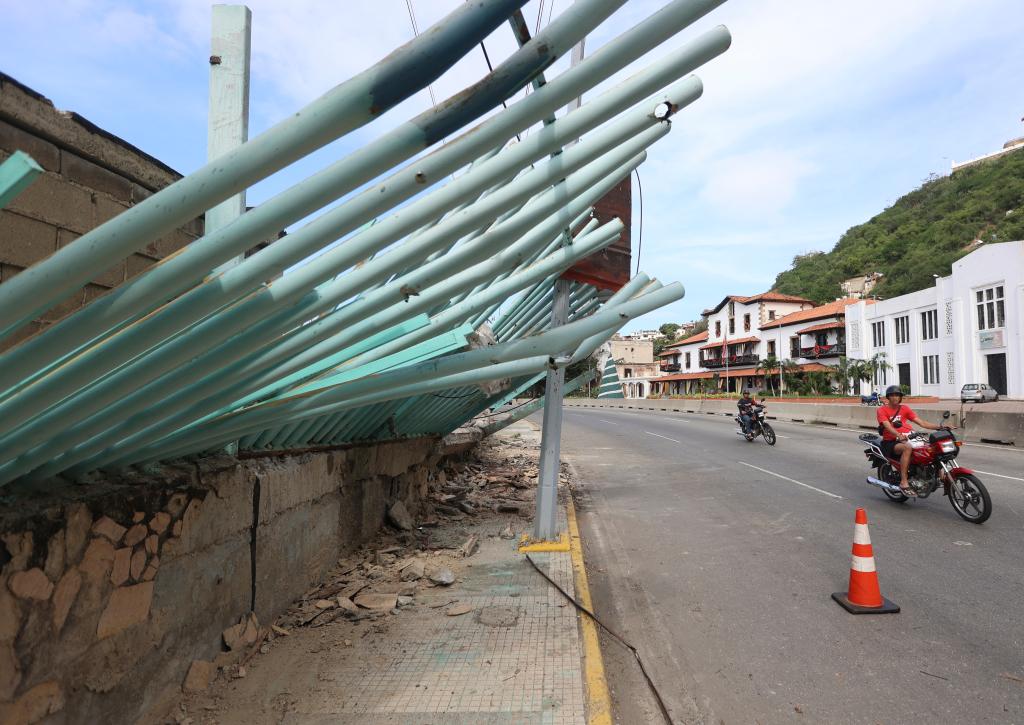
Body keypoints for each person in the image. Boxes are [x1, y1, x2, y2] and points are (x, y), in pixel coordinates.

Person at [876, 385, 951, 496]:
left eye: (897, 395)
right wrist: (898, 434)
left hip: (908, 436)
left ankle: (939, 476)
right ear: (888, 397)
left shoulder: (905, 408)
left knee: (932, 448)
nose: (895, 397)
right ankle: (904, 481)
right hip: (891, 441)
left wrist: (941, 427)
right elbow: (887, 426)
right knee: (907, 447)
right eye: (892, 395)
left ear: (900, 397)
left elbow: (922, 423)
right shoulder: (882, 410)